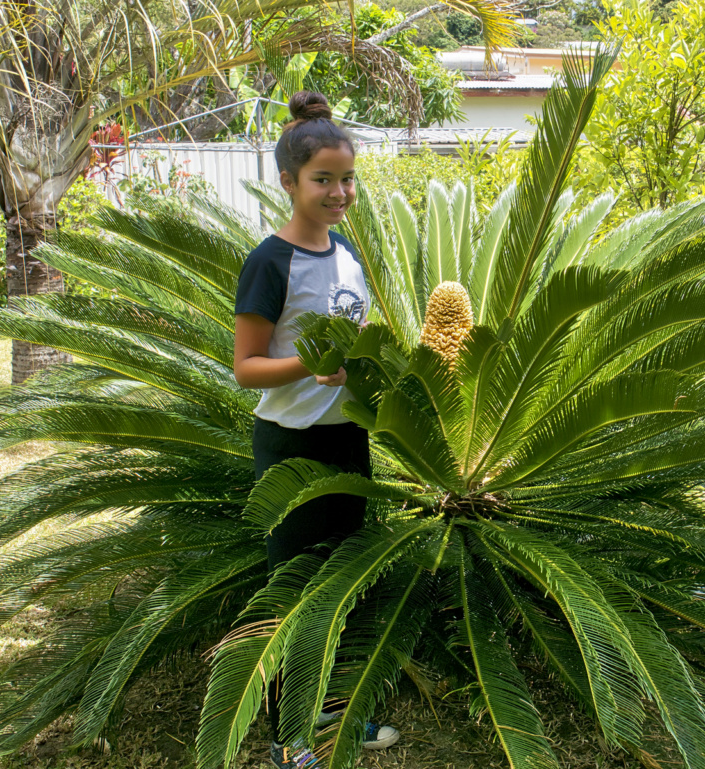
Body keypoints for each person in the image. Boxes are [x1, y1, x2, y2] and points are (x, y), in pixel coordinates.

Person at [233, 90, 399, 769]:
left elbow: (355, 338)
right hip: (289, 448)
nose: (338, 192)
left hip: (345, 442)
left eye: (347, 178)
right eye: (323, 179)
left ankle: (339, 716)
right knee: (294, 588)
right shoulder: (269, 263)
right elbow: (247, 368)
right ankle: (290, 732)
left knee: (342, 583)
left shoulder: (349, 254)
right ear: (289, 182)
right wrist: (312, 361)